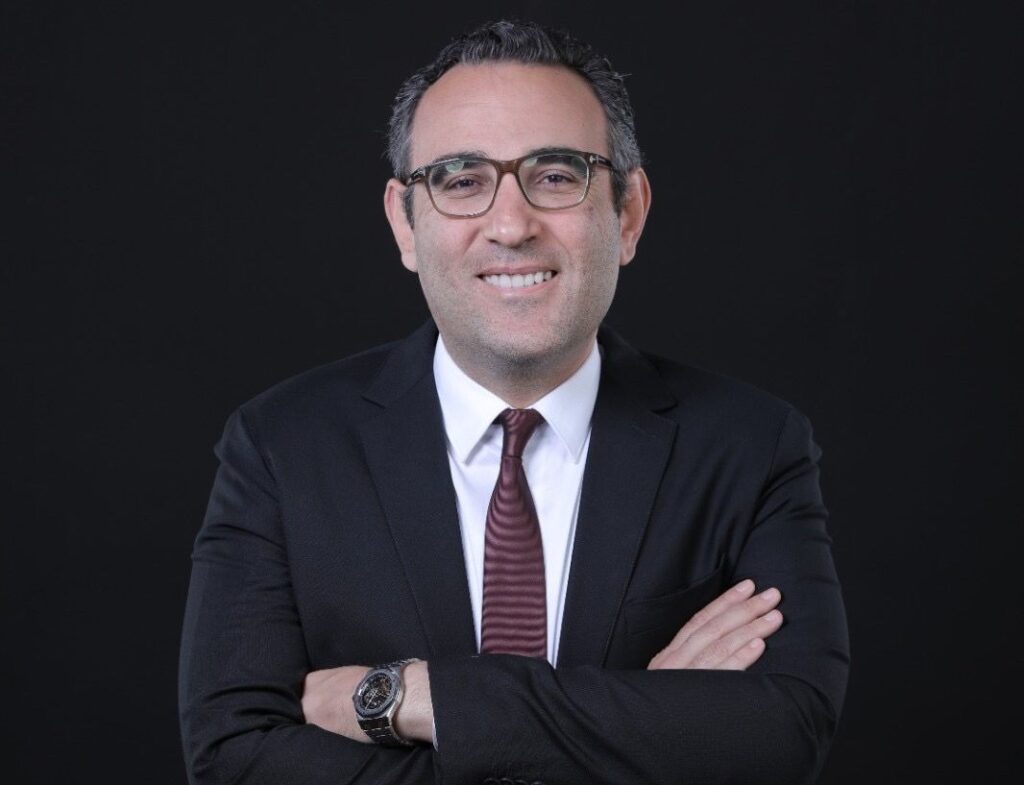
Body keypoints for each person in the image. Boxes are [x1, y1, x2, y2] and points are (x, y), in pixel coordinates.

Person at [178, 19, 849, 785]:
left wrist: (415, 696)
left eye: (557, 175)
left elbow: (782, 734)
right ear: (405, 222)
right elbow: (233, 759)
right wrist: (644, 718)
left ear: (628, 213)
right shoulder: (280, 447)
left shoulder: (751, 446)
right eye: (462, 180)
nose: (510, 224)